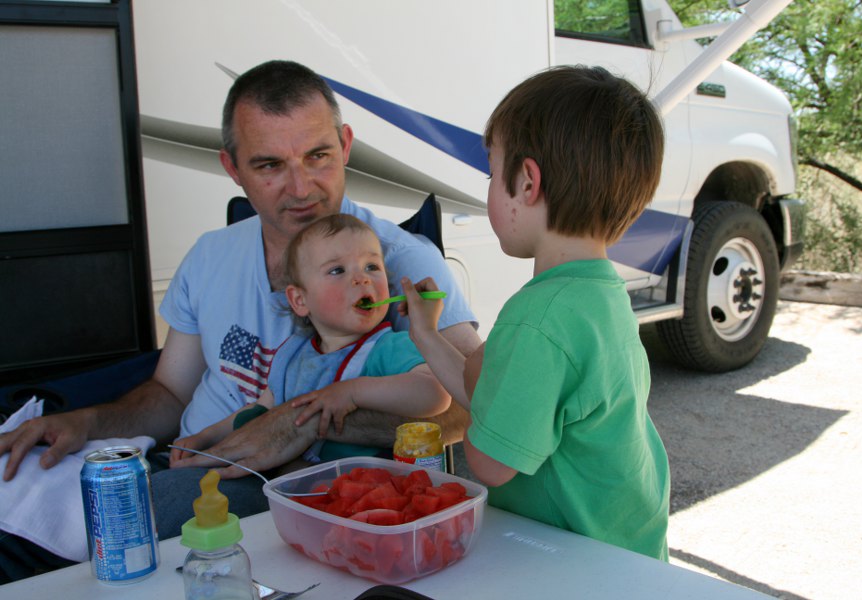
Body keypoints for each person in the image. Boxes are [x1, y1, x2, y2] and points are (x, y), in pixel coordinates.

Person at [0, 60, 479, 581]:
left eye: (317, 156)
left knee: (98, 534)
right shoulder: (211, 255)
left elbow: (474, 406)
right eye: (270, 165)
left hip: (279, 488)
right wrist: (87, 423)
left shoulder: (399, 262)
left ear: (345, 145)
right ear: (232, 168)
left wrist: (289, 427)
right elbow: (169, 393)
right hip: (186, 459)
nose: (301, 188)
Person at [401, 65, 670, 560]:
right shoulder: (601, 295)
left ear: (527, 182)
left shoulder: (537, 318)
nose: (487, 188)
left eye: (490, 173)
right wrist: (427, 334)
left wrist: (489, 364)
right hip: (628, 556)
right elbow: (502, 401)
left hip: (573, 567)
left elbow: (491, 460)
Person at [171, 213, 451, 462]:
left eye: (371, 267)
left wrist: (352, 392)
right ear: (300, 300)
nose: (362, 279)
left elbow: (436, 394)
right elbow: (259, 409)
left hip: (365, 494)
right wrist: (204, 438)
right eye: (337, 270)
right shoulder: (293, 354)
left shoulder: (389, 347)